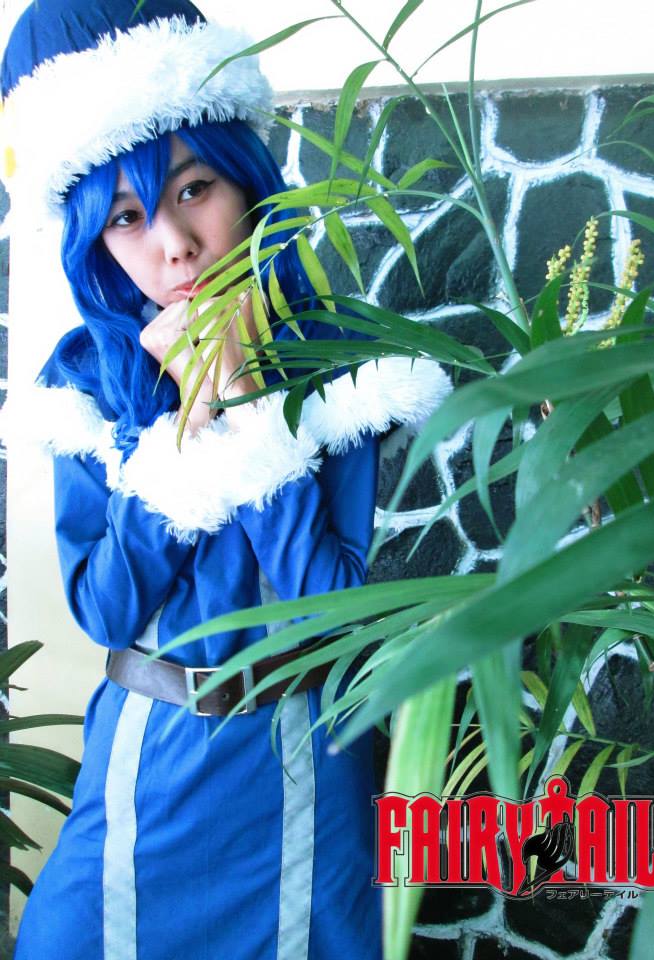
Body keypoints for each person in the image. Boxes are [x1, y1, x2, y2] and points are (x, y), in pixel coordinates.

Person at [0, 2, 452, 958]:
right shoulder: (86, 383)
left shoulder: (342, 362)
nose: (173, 242)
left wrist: (244, 398)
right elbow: (107, 607)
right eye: (126, 217)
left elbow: (327, 609)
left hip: (299, 765)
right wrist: (180, 425)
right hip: (146, 767)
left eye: (193, 188)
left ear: (245, 177)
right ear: (92, 242)